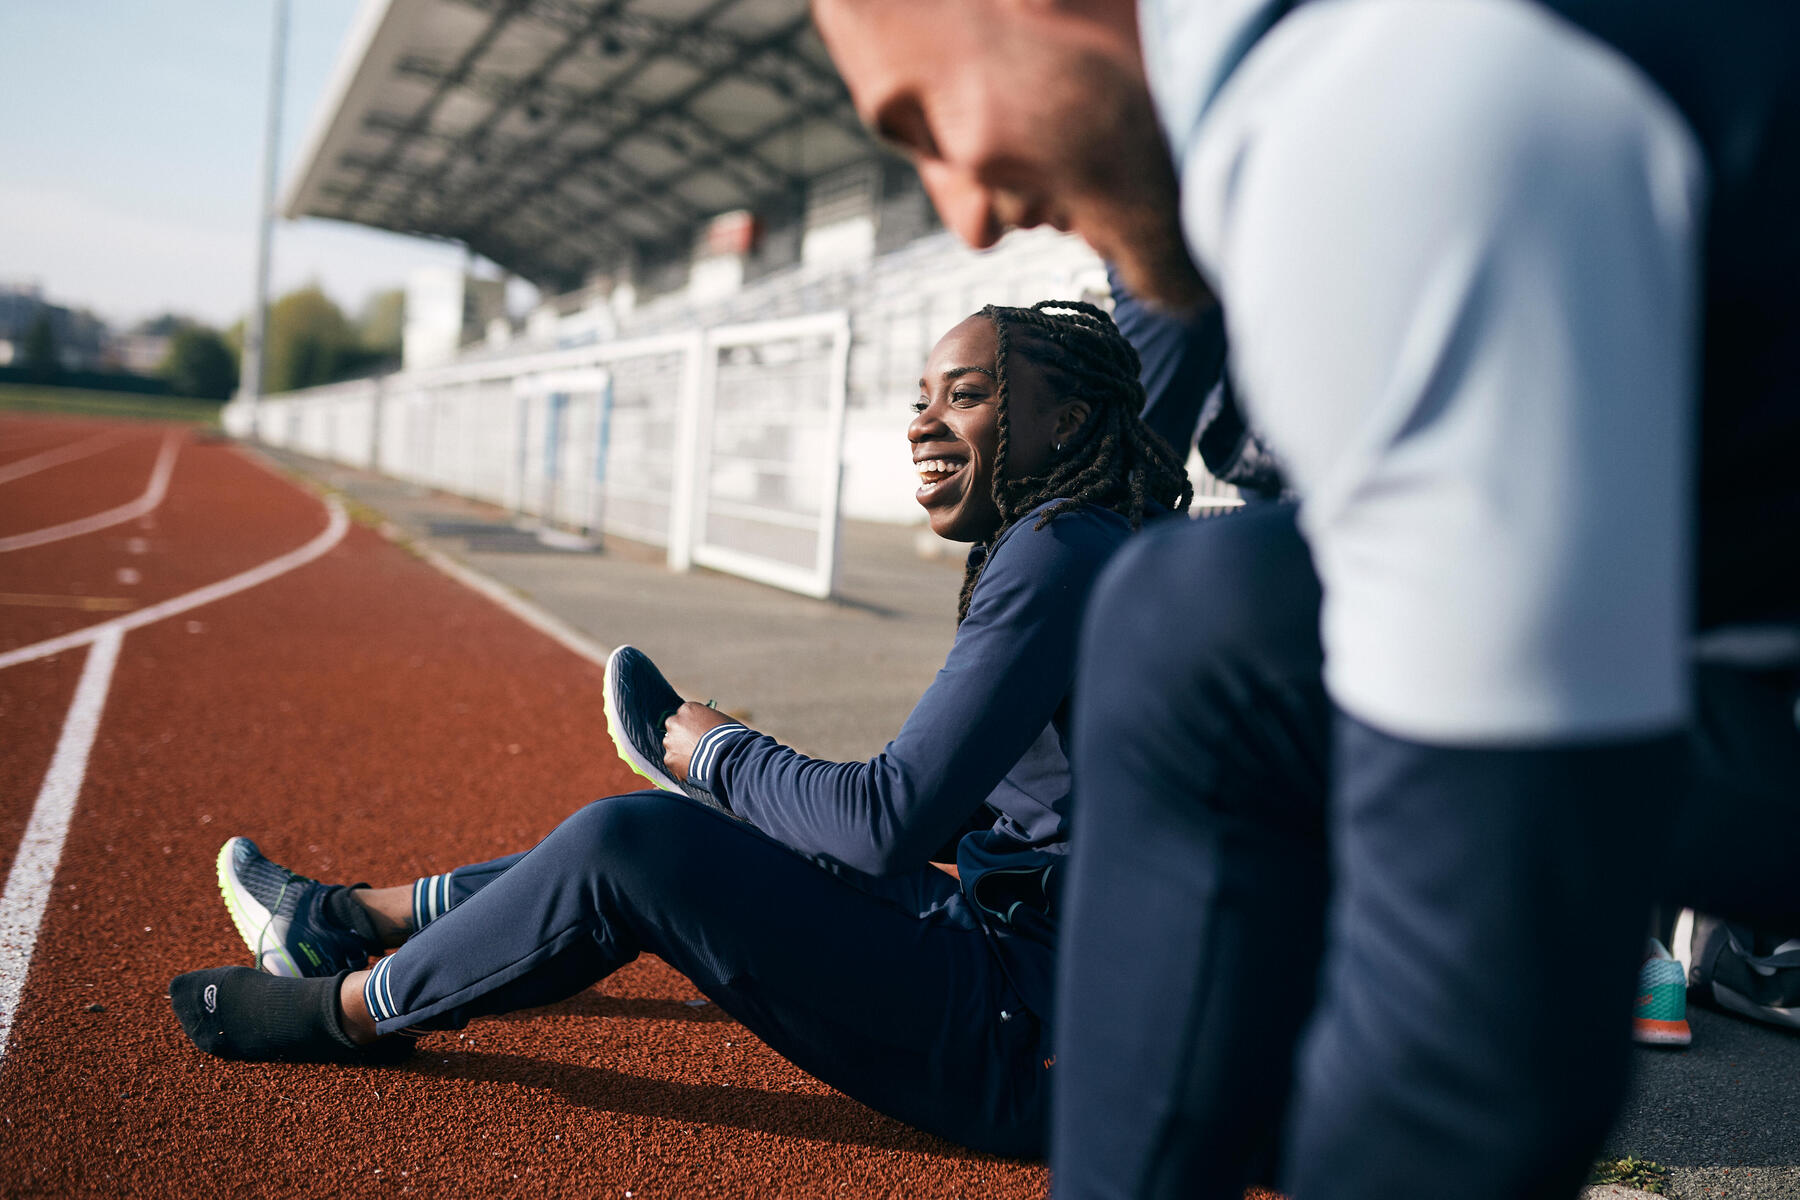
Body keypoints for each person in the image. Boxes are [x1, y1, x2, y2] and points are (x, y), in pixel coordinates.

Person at [810, 0, 1799, 1196]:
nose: (964, 212)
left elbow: (1478, 1057)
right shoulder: (1320, 83)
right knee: (1193, 626)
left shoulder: (1369, 124)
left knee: (1221, 654)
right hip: (1730, 624)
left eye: (927, 120)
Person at [168, 300, 1192, 1158]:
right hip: (1072, 999)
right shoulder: (1109, 545)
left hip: (1047, 1043)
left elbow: (887, 824)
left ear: (1071, 421)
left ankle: (346, 1012)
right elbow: (932, 824)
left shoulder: (1055, 553)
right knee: (724, 832)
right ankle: (352, 923)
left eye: (966, 396)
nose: (924, 424)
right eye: (919, 400)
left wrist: (723, 755)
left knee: (635, 845)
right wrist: (765, 794)